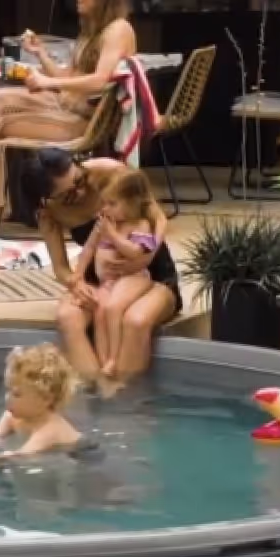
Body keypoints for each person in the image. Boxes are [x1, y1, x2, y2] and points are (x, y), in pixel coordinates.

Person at [0, 0, 137, 232]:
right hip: (66, 105)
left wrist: (48, 83)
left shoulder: (118, 29)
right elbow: (69, 76)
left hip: (83, 121)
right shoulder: (90, 28)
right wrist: (40, 54)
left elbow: (100, 80)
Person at [22, 149, 180, 385]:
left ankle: (127, 397)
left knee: (135, 320)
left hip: (150, 274)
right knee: (68, 317)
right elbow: (61, 268)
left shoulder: (110, 172)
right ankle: (98, 392)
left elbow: (159, 218)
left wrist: (145, 258)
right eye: (67, 195)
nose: (79, 192)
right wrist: (76, 284)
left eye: (79, 180)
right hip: (101, 279)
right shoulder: (48, 212)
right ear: (45, 199)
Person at [71, 169, 162, 379]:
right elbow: (88, 250)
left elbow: (135, 252)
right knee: (100, 310)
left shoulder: (139, 225)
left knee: (113, 308)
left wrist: (111, 234)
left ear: (132, 203)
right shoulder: (103, 224)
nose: (105, 209)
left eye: (112, 204)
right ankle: (104, 362)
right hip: (108, 282)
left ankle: (114, 357)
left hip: (133, 278)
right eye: (104, 203)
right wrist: (78, 275)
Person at [0, 344, 83, 456]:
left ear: (46, 399)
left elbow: (21, 455)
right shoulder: (12, 417)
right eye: (8, 390)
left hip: (81, 453)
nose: (7, 397)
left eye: (17, 394)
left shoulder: (50, 430)